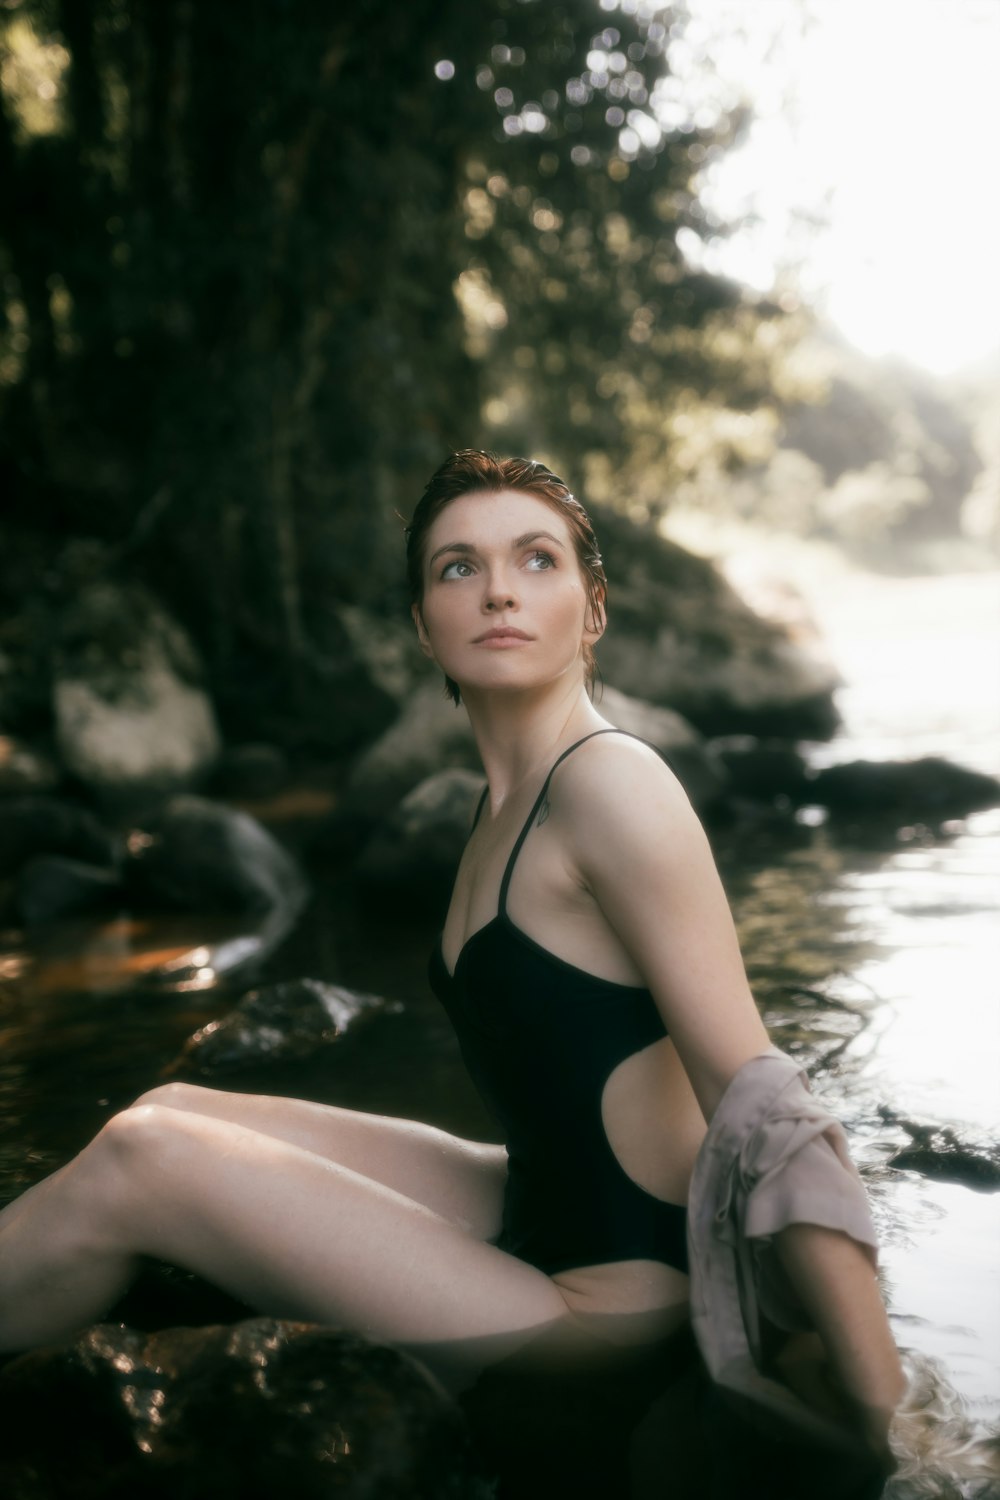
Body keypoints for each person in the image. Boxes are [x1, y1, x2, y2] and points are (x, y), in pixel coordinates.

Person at [0, 450, 903, 1485]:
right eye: (458, 568)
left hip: (607, 1301)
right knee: (167, 1104)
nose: (501, 589)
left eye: (536, 559)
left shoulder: (611, 784)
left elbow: (761, 1102)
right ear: (425, 625)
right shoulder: (495, 806)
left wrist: (885, 1412)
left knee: (144, 1161)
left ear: (592, 610)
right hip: (533, 1199)